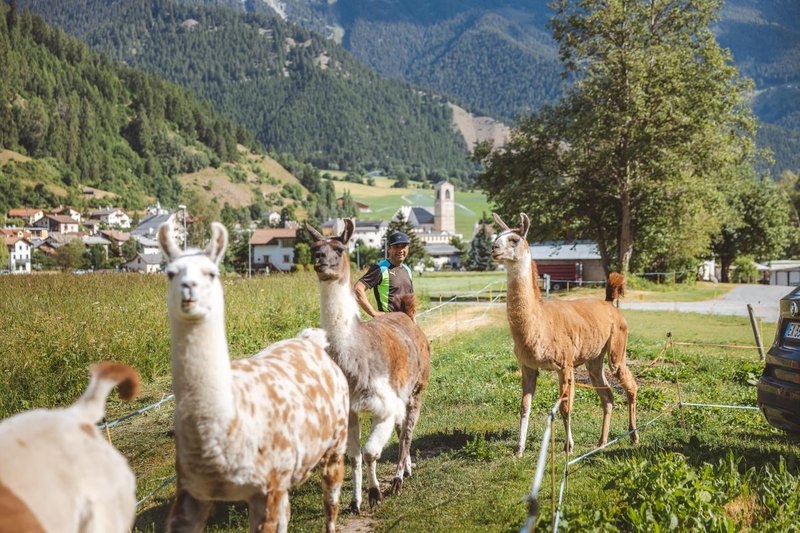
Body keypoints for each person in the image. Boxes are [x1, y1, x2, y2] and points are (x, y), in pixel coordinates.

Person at [354, 231, 414, 317]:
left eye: (403, 246)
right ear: (389, 248)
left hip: (406, 322)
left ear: (408, 248)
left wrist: (413, 321)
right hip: (388, 322)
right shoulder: (380, 269)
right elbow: (358, 289)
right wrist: (373, 313)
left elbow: (411, 301)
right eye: (396, 247)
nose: (400, 250)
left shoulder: (407, 270)